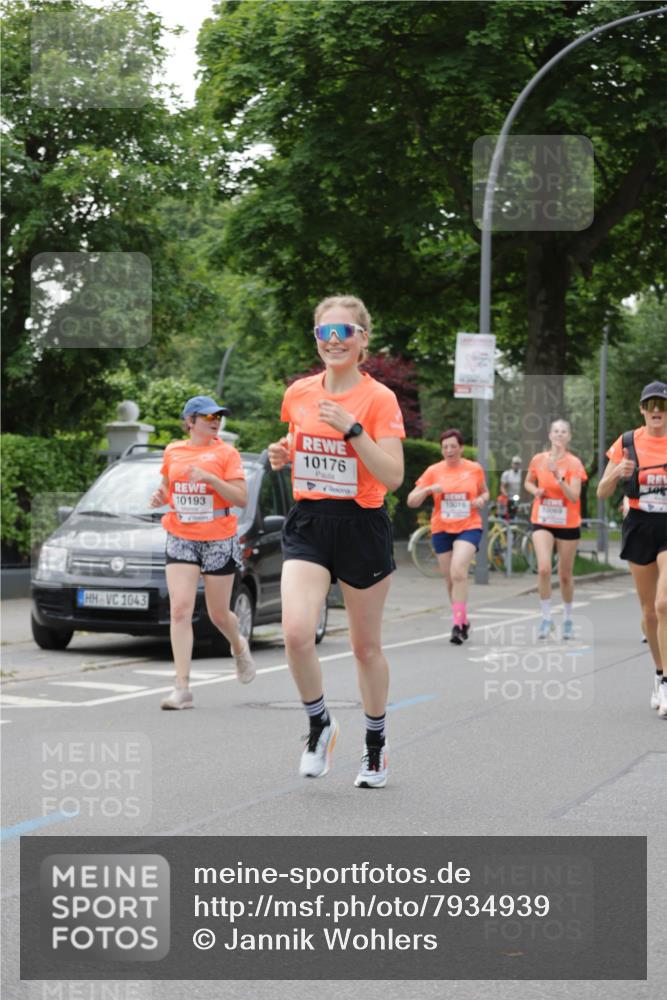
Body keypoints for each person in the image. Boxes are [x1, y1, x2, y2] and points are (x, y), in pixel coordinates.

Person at [268, 295, 405, 789]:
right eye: (324, 332)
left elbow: (391, 476)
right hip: (309, 520)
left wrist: (352, 430)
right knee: (297, 632)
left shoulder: (378, 400)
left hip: (361, 523)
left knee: (365, 647)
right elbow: (296, 442)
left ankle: (375, 745)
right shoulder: (300, 393)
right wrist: (283, 453)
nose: (333, 340)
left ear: (362, 339)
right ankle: (319, 723)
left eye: (344, 331)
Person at [149, 395, 256, 709]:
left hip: (218, 538)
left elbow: (240, 498)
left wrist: (211, 478)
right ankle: (182, 688)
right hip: (181, 535)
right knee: (179, 610)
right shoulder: (173, 451)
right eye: (208, 417)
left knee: (218, 614)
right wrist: (161, 497)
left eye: (218, 417)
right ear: (190, 421)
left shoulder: (227, 453)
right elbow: (169, 489)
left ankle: (238, 646)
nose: (215, 421)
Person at [597, 381, 667, 717]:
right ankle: (659, 673)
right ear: (642, 409)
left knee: (664, 603)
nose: (657, 410)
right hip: (639, 525)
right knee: (649, 613)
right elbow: (600, 492)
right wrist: (618, 475)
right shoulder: (626, 443)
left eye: (662, 405)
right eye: (650, 405)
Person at [407, 430, 489, 645]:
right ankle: (462, 620)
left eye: (453, 446)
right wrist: (427, 491)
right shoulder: (433, 471)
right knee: (450, 579)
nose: (449, 450)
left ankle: (457, 626)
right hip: (442, 528)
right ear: (442, 450)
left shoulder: (474, 469)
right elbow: (411, 500)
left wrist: (481, 500)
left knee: (458, 571)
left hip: (469, 526)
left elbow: (485, 492)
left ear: (461, 448)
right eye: (445, 447)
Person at [524, 419, 587, 640]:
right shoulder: (538, 460)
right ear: (550, 435)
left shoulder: (574, 464)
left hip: (568, 523)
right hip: (542, 519)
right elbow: (528, 482)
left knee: (565, 575)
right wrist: (536, 491)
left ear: (568, 437)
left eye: (563, 432)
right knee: (543, 569)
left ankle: (568, 618)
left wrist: (558, 477)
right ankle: (546, 618)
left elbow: (574, 496)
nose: (559, 435)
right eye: (556, 431)